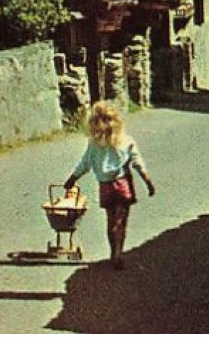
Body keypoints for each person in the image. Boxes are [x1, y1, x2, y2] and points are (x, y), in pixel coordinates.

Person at [63, 101, 156, 269]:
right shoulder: (126, 141)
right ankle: (119, 252)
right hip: (122, 184)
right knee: (121, 221)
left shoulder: (94, 144)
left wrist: (72, 179)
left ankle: (113, 252)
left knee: (110, 221)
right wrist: (148, 182)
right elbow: (137, 163)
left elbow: (84, 164)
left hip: (105, 187)